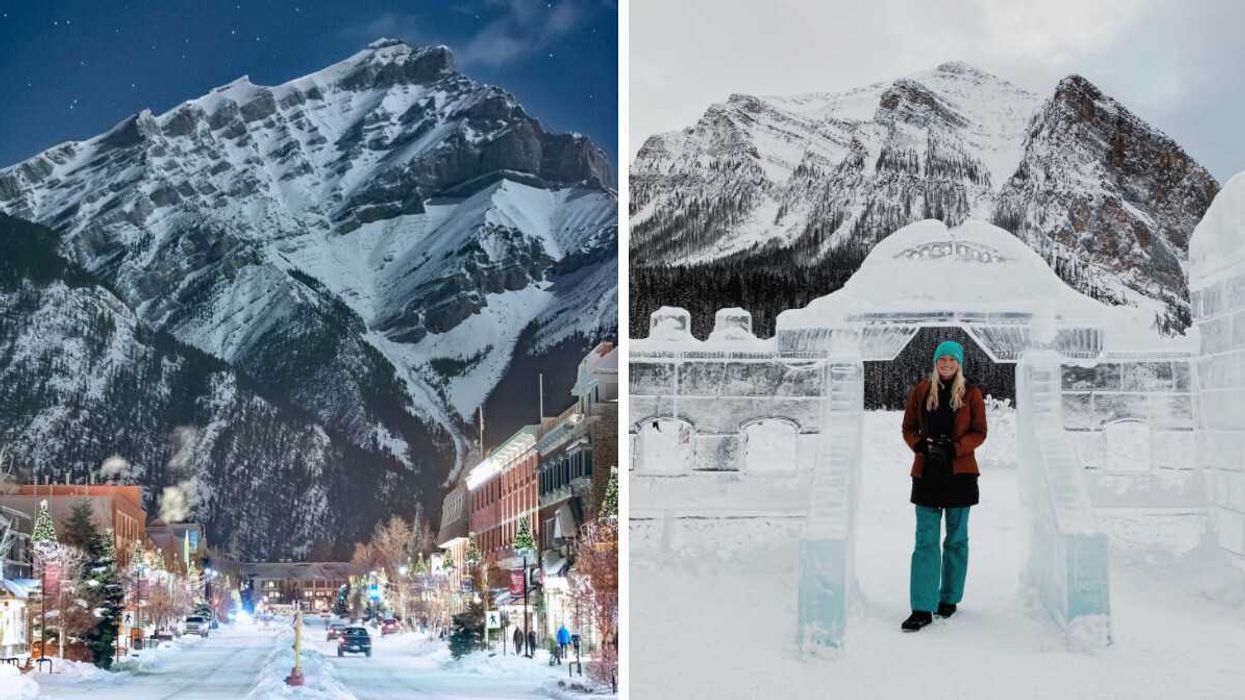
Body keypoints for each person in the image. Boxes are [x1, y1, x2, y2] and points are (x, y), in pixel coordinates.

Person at [900, 340, 987, 633]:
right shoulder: (922, 391)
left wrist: (956, 448)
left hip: (960, 473)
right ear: (935, 362)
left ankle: (948, 598)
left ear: (959, 363)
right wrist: (919, 445)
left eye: (952, 359)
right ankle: (921, 607)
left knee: (956, 539)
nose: (947, 363)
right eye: (942, 359)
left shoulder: (972, 393)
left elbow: (979, 431)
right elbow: (908, 427)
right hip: (927, 473)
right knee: (925, 540)